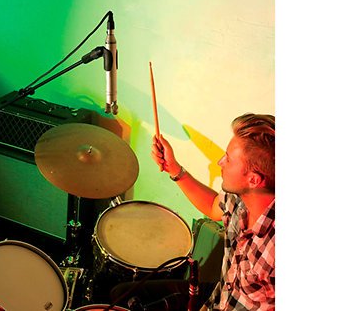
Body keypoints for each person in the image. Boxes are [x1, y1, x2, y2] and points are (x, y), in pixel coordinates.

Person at [110, 113, 275, 311]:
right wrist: (174, 168)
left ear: (254, 179)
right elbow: (214, 205)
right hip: (219, 296)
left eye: (228, 159)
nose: (220, 162)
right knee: (121, 295)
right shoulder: (240, 197)